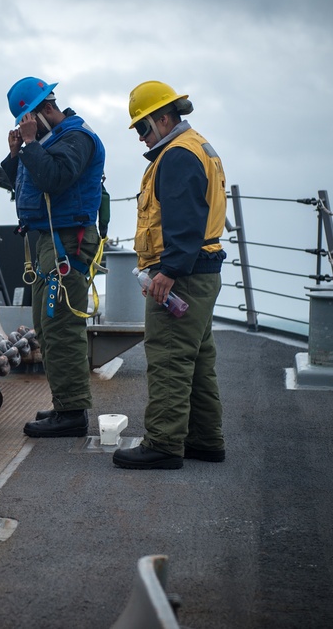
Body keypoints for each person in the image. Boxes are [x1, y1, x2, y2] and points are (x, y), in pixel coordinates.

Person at [113, 80, 227, 470]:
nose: (142, 138)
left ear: (165, 119)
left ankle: (163, 444)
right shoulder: (196, 147)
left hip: (185, 275)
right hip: (203, 272)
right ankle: (204, 439)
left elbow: (184, 219)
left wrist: (169, 271)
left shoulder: (177, 156)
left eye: (144, 128)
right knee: (196, 359)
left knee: (169, 358)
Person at [0, 76, 105, 438]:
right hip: (49, 238)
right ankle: (65, 403)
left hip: (68, 241)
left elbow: (55, 178)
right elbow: (25, 183)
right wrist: (18, 153)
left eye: (26, 118)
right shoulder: (47, 140)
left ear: (45, 110)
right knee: (47, 326)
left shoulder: (76, 138)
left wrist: (30, 143)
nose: (23, 126)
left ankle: (73, 412)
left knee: (61, 326)